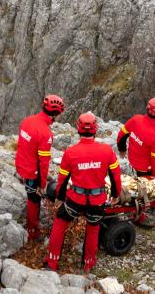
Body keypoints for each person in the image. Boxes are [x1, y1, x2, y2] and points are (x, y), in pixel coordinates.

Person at [44, 112, 121, 273]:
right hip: (97, 200)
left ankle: (52, 261)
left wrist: (59, 198)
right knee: (93, 228)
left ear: (78, 128)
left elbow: (62, 180)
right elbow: (115, 176)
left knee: (60, 221)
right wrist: (115, 195)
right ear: (96, 129)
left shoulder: (71, 152)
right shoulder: (106, 150)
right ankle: (88, 263)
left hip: (75, 200)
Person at [15, 94, 65, 241]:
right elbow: (43, 162)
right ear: (56, 113)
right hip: (31, 172)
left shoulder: (27, 120)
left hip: (21, 164)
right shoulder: (45, 133)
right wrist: (42, 184)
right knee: (34, 199)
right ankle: (32, 232)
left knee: (35, 192)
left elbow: (23, 146)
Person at [116, 97, 155, 226]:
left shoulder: (136, 119)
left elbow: (122, 135)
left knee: (137, 185)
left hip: (132, 161)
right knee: (143, 192)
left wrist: (122, 149)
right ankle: (140, 216)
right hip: (145, 169)